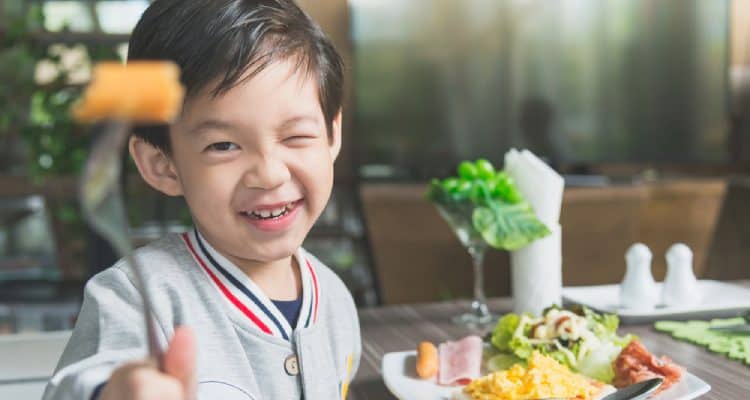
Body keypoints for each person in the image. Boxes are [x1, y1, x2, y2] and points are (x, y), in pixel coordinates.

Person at [43, 1, 360, 399]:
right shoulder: (136, 297)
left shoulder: (335, 299)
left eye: (296, 136)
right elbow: (78, 386)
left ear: (332, 135)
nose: (269, 173)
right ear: (164, 166)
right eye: (223, 145)